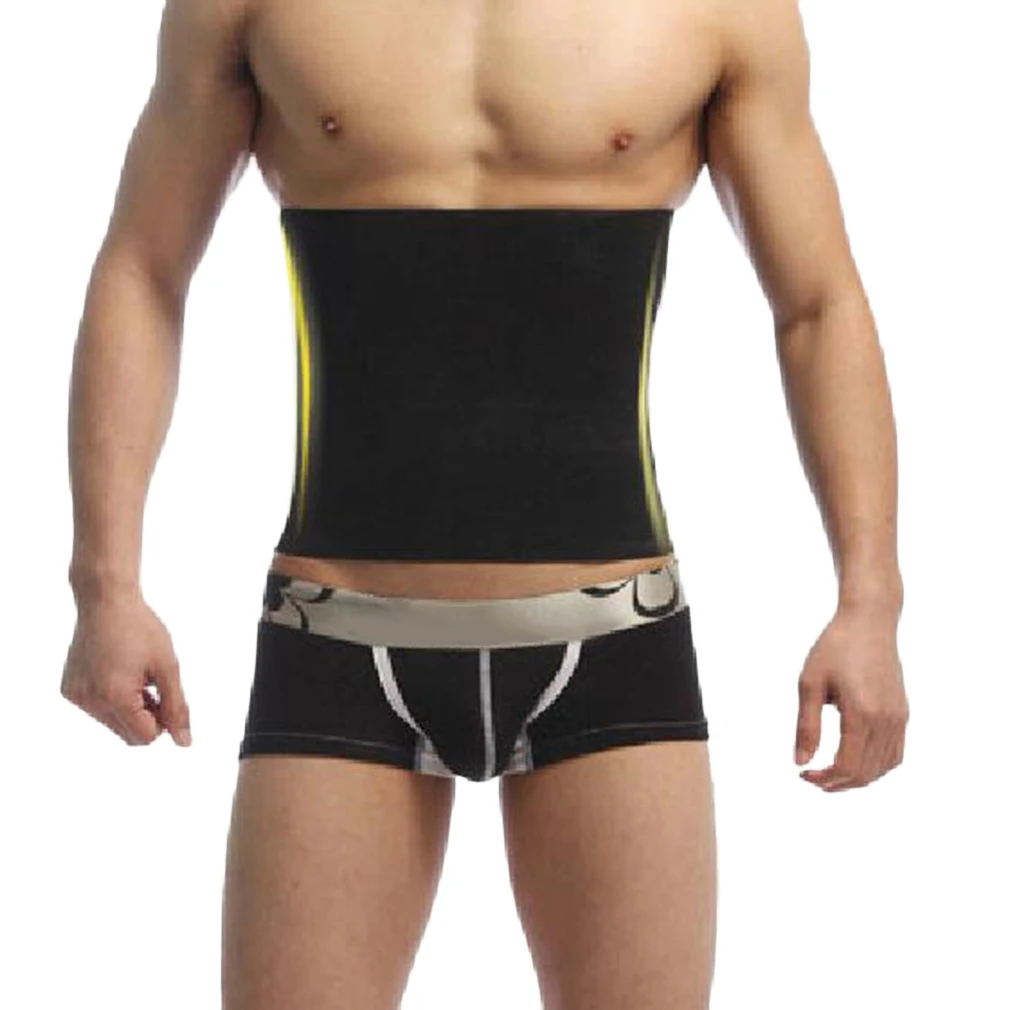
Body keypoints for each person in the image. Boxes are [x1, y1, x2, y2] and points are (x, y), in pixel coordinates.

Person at [60, 0, 909, 1006]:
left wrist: (870, 603)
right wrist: (105, 585)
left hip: (611, 636)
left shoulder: (715, 10)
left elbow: (816, 302)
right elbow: (144, 267)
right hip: (337, 636)